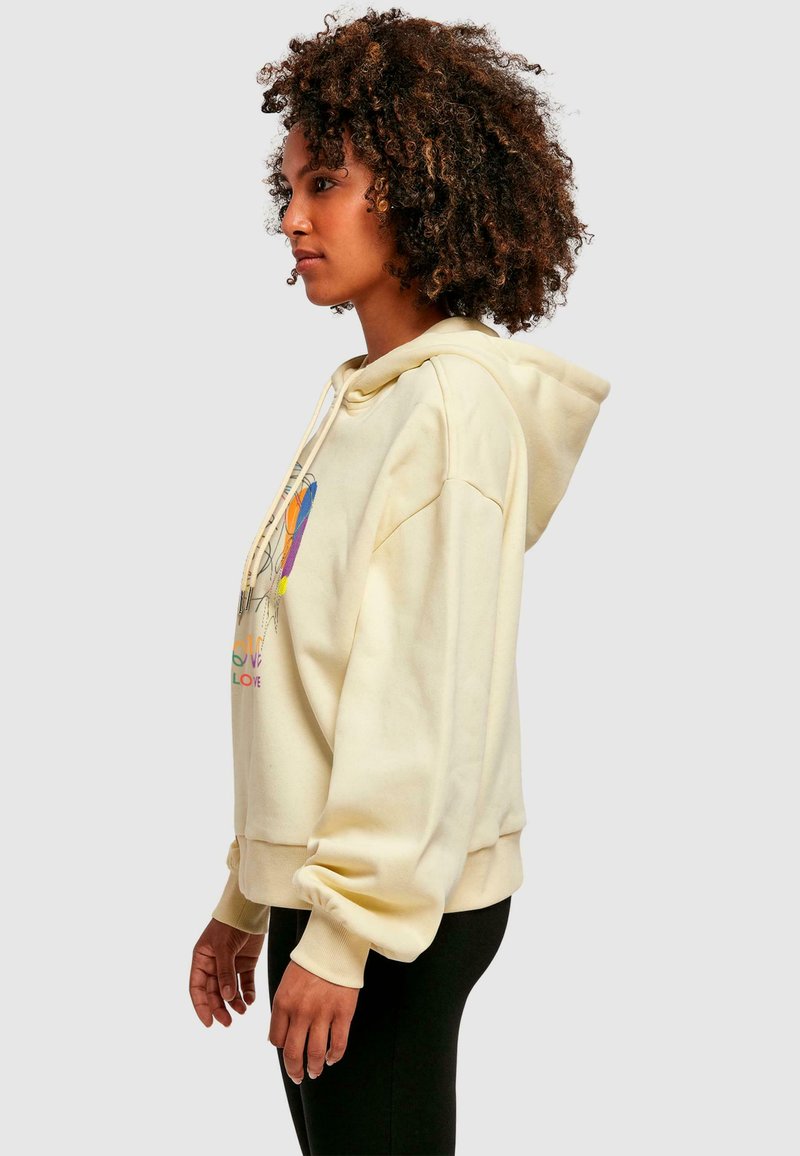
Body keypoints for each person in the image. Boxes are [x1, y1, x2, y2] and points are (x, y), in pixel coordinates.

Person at [189, 8, 611, 1154]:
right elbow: (308, 675)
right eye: (287, 187)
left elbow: (420, 698)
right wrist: (248, 892)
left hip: (383, 907)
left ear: (423, 188)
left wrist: (344, 931)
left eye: (324, 182)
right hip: (332, 888)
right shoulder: (364, 397)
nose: (293, 217)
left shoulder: (449, 409)